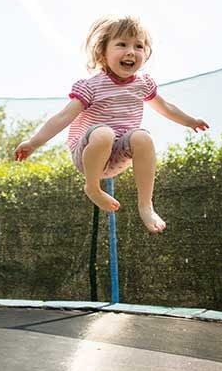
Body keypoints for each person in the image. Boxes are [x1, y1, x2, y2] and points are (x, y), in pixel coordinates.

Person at [14, 16, 209, 233]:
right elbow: (63, 117)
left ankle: (146, 205)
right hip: (87, 154)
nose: (131, 51)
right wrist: (33, 143)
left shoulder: (143, 84)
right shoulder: (92, 86)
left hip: (117, 157)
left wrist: (189, 121)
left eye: (139, 46)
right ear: (102, 53)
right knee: (104, 133)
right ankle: (92, 187)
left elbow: (166, 107)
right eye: (122, 44)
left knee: (142, 137)